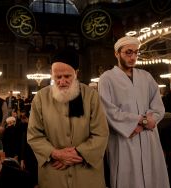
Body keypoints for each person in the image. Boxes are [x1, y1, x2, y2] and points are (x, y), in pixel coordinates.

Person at [27, 47, 109, 188]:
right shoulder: (40, 98)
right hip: (54, 171)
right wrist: (55, 153)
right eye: (57, 77)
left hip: (86, 172)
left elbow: (101, 133)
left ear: (76, 73)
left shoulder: (91, 96)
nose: (62, 82)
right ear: (51, 75)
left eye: (67, 76)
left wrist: (77, 153)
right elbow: (34, 135)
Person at [98, 36, 169, 188]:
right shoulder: (107, 78)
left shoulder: (146, 76)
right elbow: (108, 110)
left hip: (148, 137)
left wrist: (142, 124)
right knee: (129, 179)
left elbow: (158, 107)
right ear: (117, 53)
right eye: (128, 53)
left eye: (136, 53)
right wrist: (141, 121)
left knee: (153, 177)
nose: (133, 57)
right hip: (124, 138)